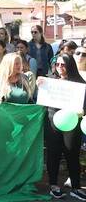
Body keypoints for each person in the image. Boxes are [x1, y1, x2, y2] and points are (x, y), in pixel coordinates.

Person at [37, 54, 86, 200]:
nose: (59, 68)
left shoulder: (79, 83)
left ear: (70, 65)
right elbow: (42, 100)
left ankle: (76, 187)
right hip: (52, 122)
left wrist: (82, 111)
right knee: (53, 154)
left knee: (72, 154)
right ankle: (53, 185)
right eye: (57, 64)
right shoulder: (49, 80)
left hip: (72, 123)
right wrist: (39, 84)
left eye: (63, 65)